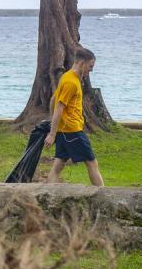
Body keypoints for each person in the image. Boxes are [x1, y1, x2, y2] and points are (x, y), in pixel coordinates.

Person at [42, 47, 105, 187]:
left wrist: (54, 127)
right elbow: (59, 107)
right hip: (72, 131)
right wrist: (52, 133)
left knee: (59, 164)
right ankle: (103, 194)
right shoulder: (71, 82)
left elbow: (53, 99)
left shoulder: (67, 76)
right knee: (92, 162)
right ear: (81, 63)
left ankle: (47, 192)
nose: (91, 70)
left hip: (64, 130)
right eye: (90, 66)